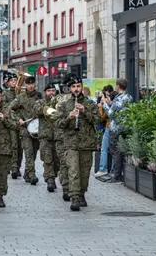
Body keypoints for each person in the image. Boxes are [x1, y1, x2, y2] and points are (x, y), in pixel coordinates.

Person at [58, 76, 99, 211]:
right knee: (73, 170)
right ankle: (74, 197)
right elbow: (58, 124)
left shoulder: (90, 104)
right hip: (71, 143)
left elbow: (97, 120)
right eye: (74, 87)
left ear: (82, 87)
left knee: (84, 171)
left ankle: (81, 193)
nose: (76, 89)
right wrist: (69, 117)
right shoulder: (64, 105)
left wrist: (84, 111)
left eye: (78, 86)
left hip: (87, 143)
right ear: (70, 89)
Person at [100, 78, 133, 184]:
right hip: (125, 127)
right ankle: (118, 173)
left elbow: (111, 114)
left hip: (115, 128)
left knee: (115, 151)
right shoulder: (129, 97)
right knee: (121, 150)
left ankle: (116, 175)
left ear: (118, 86)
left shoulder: (119, 99)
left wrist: (104, 104)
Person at [10, 76, 41, 185]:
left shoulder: (39, 96)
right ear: (26, 85)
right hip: (25, 129)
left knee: (35, 152)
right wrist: (18, 119)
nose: (31, 86)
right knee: (29, 152)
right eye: (29, 84)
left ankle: (27, 173)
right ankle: (32, 175)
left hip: (37, 130)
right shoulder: (20, 97)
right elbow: (10, 109)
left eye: (32, 84)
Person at [35, 83, 60, 192]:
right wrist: (51, 103)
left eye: (53, 91)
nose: (51, 93)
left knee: (57, 161)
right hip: (45, 136)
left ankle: (53, 176)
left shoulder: (60, 102)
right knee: (47, 159)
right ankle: (49, 180)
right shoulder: (40, 102)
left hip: (57, 136)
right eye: (49, 91)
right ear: (45, 92)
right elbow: (37, 111)